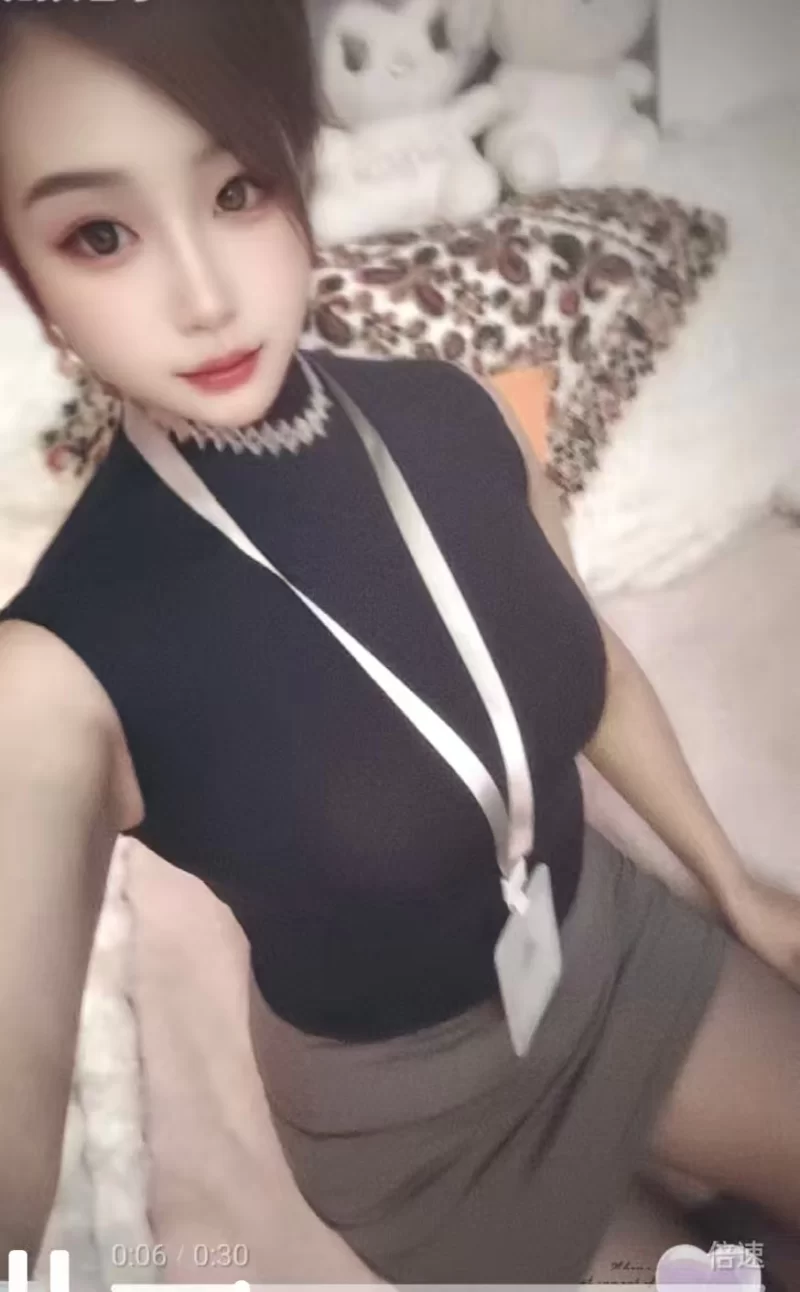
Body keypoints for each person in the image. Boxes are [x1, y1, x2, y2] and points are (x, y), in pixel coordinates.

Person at [0, 1, 798, 1284]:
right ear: (29, 281)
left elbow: (581, 659)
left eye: (237, 189)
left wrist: (732, 883)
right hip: (423, 1126)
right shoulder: (54, 670)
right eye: (100, 234)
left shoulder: (456, 410)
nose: (203, 296)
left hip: (602, 940)